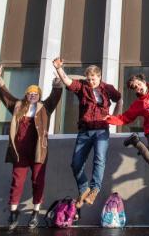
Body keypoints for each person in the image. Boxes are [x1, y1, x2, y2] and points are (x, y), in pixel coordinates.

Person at [0, 64, 62, 230]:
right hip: (20, 152)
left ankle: (35, 212)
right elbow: (5, 96)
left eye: (36, 93)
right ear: (26, 95)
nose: (33, 95)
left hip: (39, 151)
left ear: (39, 96)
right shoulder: (17, 106)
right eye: (30, 93)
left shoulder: (45, 108)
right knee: (17, 181)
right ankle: (13, 213)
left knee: (37, 181)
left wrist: (57, 81)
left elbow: (55, 96)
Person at [52, 57, 123, 209]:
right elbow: (67, 81)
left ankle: (95, 188)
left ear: (99, 76)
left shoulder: (107, 88)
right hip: (85, 131)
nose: (91, 81)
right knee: (76, 163)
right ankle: (84, 188)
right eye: (89, 79)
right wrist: (59, 69)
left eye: (93, 78)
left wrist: (114, 118)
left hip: (101, 130)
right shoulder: (82, 87)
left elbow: (119, 99)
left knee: (99, 159)